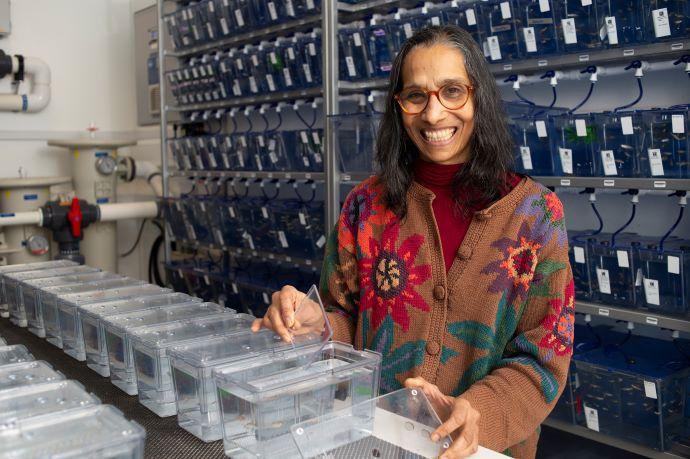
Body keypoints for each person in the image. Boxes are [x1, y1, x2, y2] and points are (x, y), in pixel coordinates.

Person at [251, 25, 574, 459]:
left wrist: (479, 410)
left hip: (482, 451)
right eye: (416, 96)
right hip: (377, 439)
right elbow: (347, 317)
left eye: (452, 91)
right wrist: (317, 323)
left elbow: (544, 358)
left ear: (478, 96)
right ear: (399, 106)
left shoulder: (535, 215)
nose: (434, 115)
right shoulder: (365, 205)